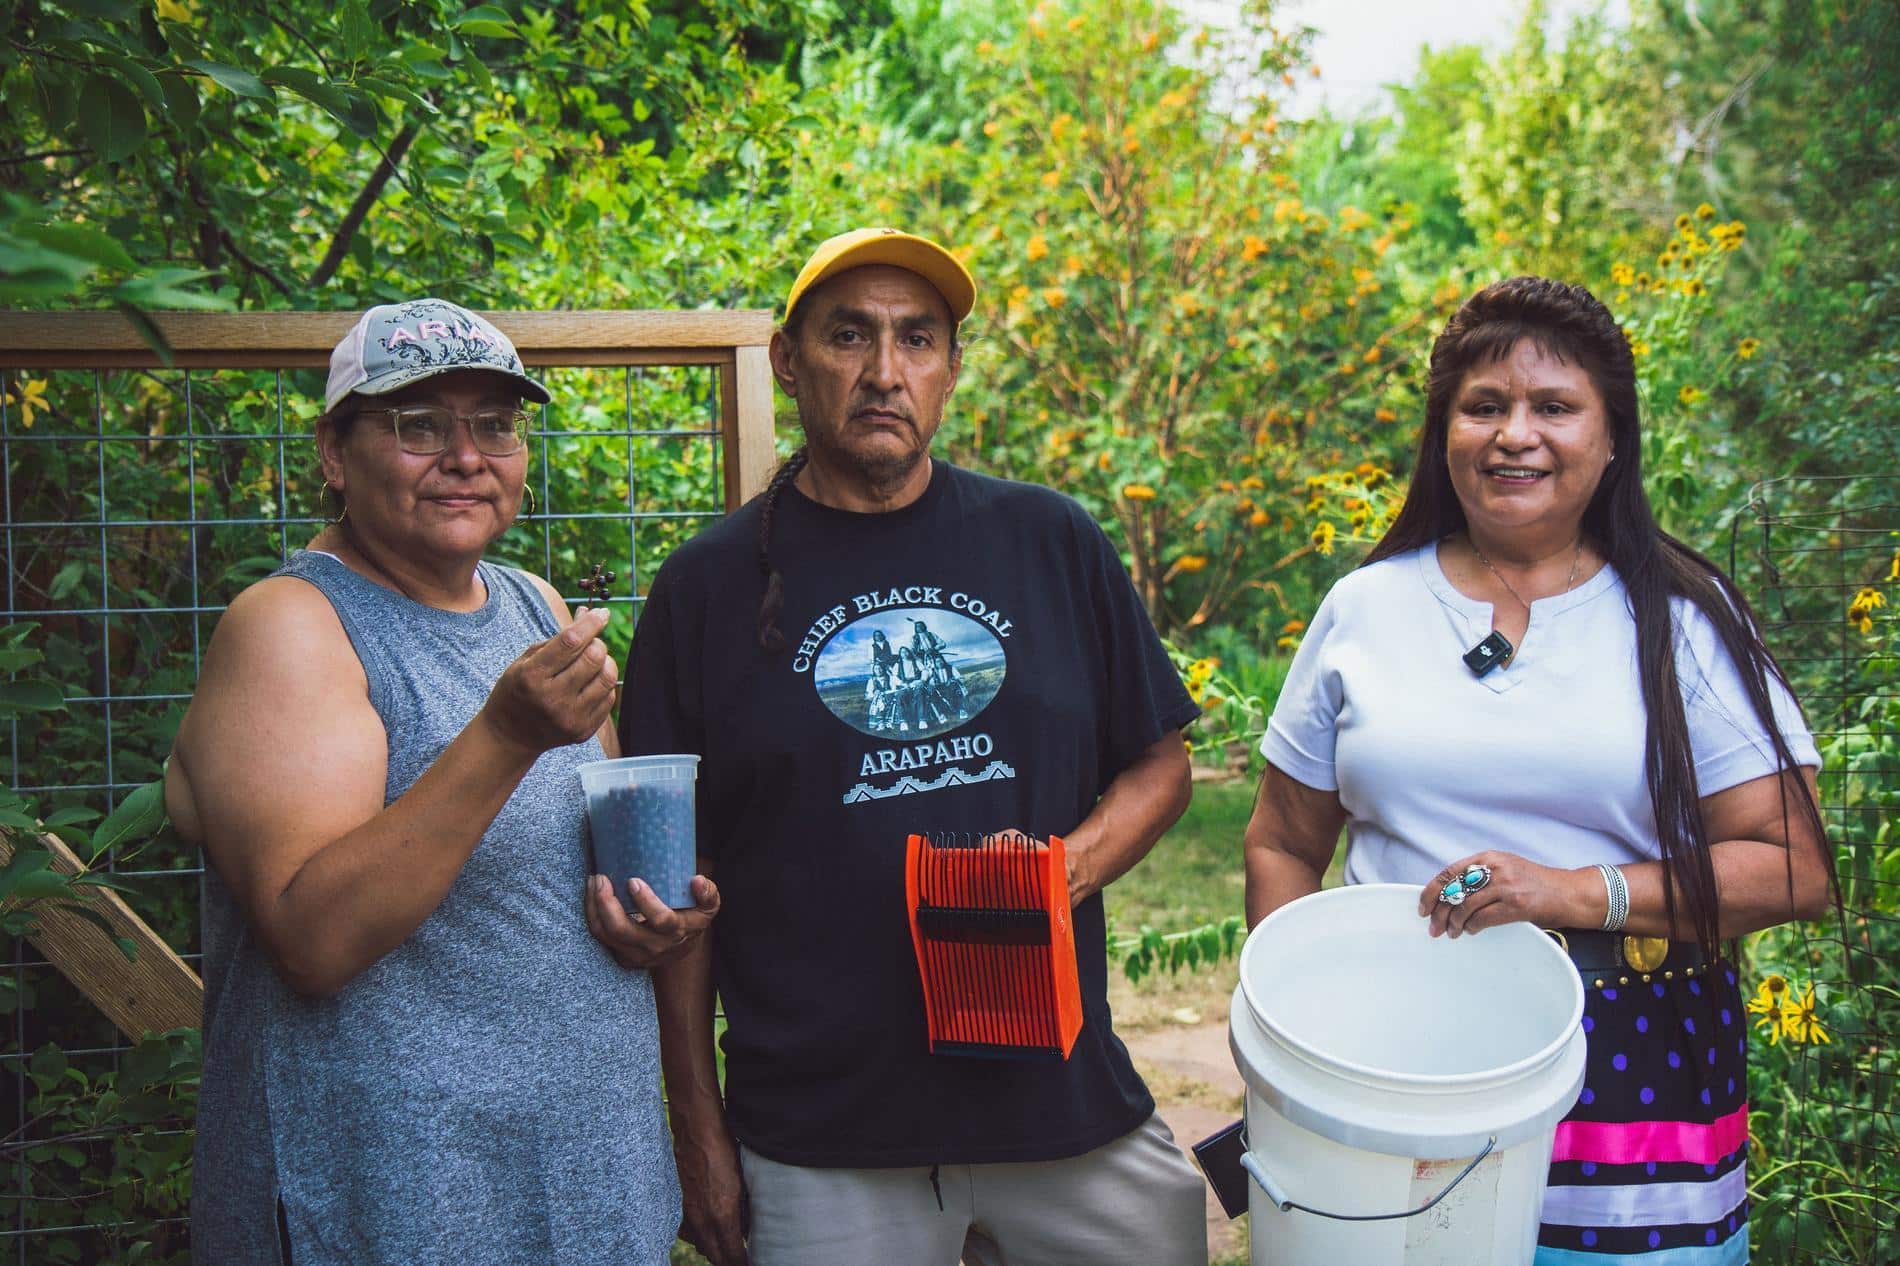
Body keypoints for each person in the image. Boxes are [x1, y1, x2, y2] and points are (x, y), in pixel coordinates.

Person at [621, 227, 1210, 1266]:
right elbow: (682, 885)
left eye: (917, 339)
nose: (884, 372)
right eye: (848, 337)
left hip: (1062, 1107)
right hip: (823, 1135)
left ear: (950, 368)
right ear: (788, 361)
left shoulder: (1049, 541)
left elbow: (1158, 762)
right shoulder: (704, 588)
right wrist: (698, 1128)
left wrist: (1063, 871)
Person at [1243, 276, 1832, 1262]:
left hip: (1633, 1067)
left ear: (1610, 441)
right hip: (1393, 1055)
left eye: (1554, 407)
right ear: (1445, 436)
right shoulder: (1364, 609)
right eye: (1484, 407)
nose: (1515, 433)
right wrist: (1293, 1030)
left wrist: (1566, 892)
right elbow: (1279, 840)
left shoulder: (1682, 623)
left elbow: (1794, 866)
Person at [168, 298, 719, 1265]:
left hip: (581, 1179)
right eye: (420, 424)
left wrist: (648, 920)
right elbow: (313, 938)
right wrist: (503, 735)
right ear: (334, 453)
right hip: (398, 1200)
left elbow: (576, 855)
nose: (467, 456)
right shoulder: (291, 627)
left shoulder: (531, 604)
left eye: (495, 425)